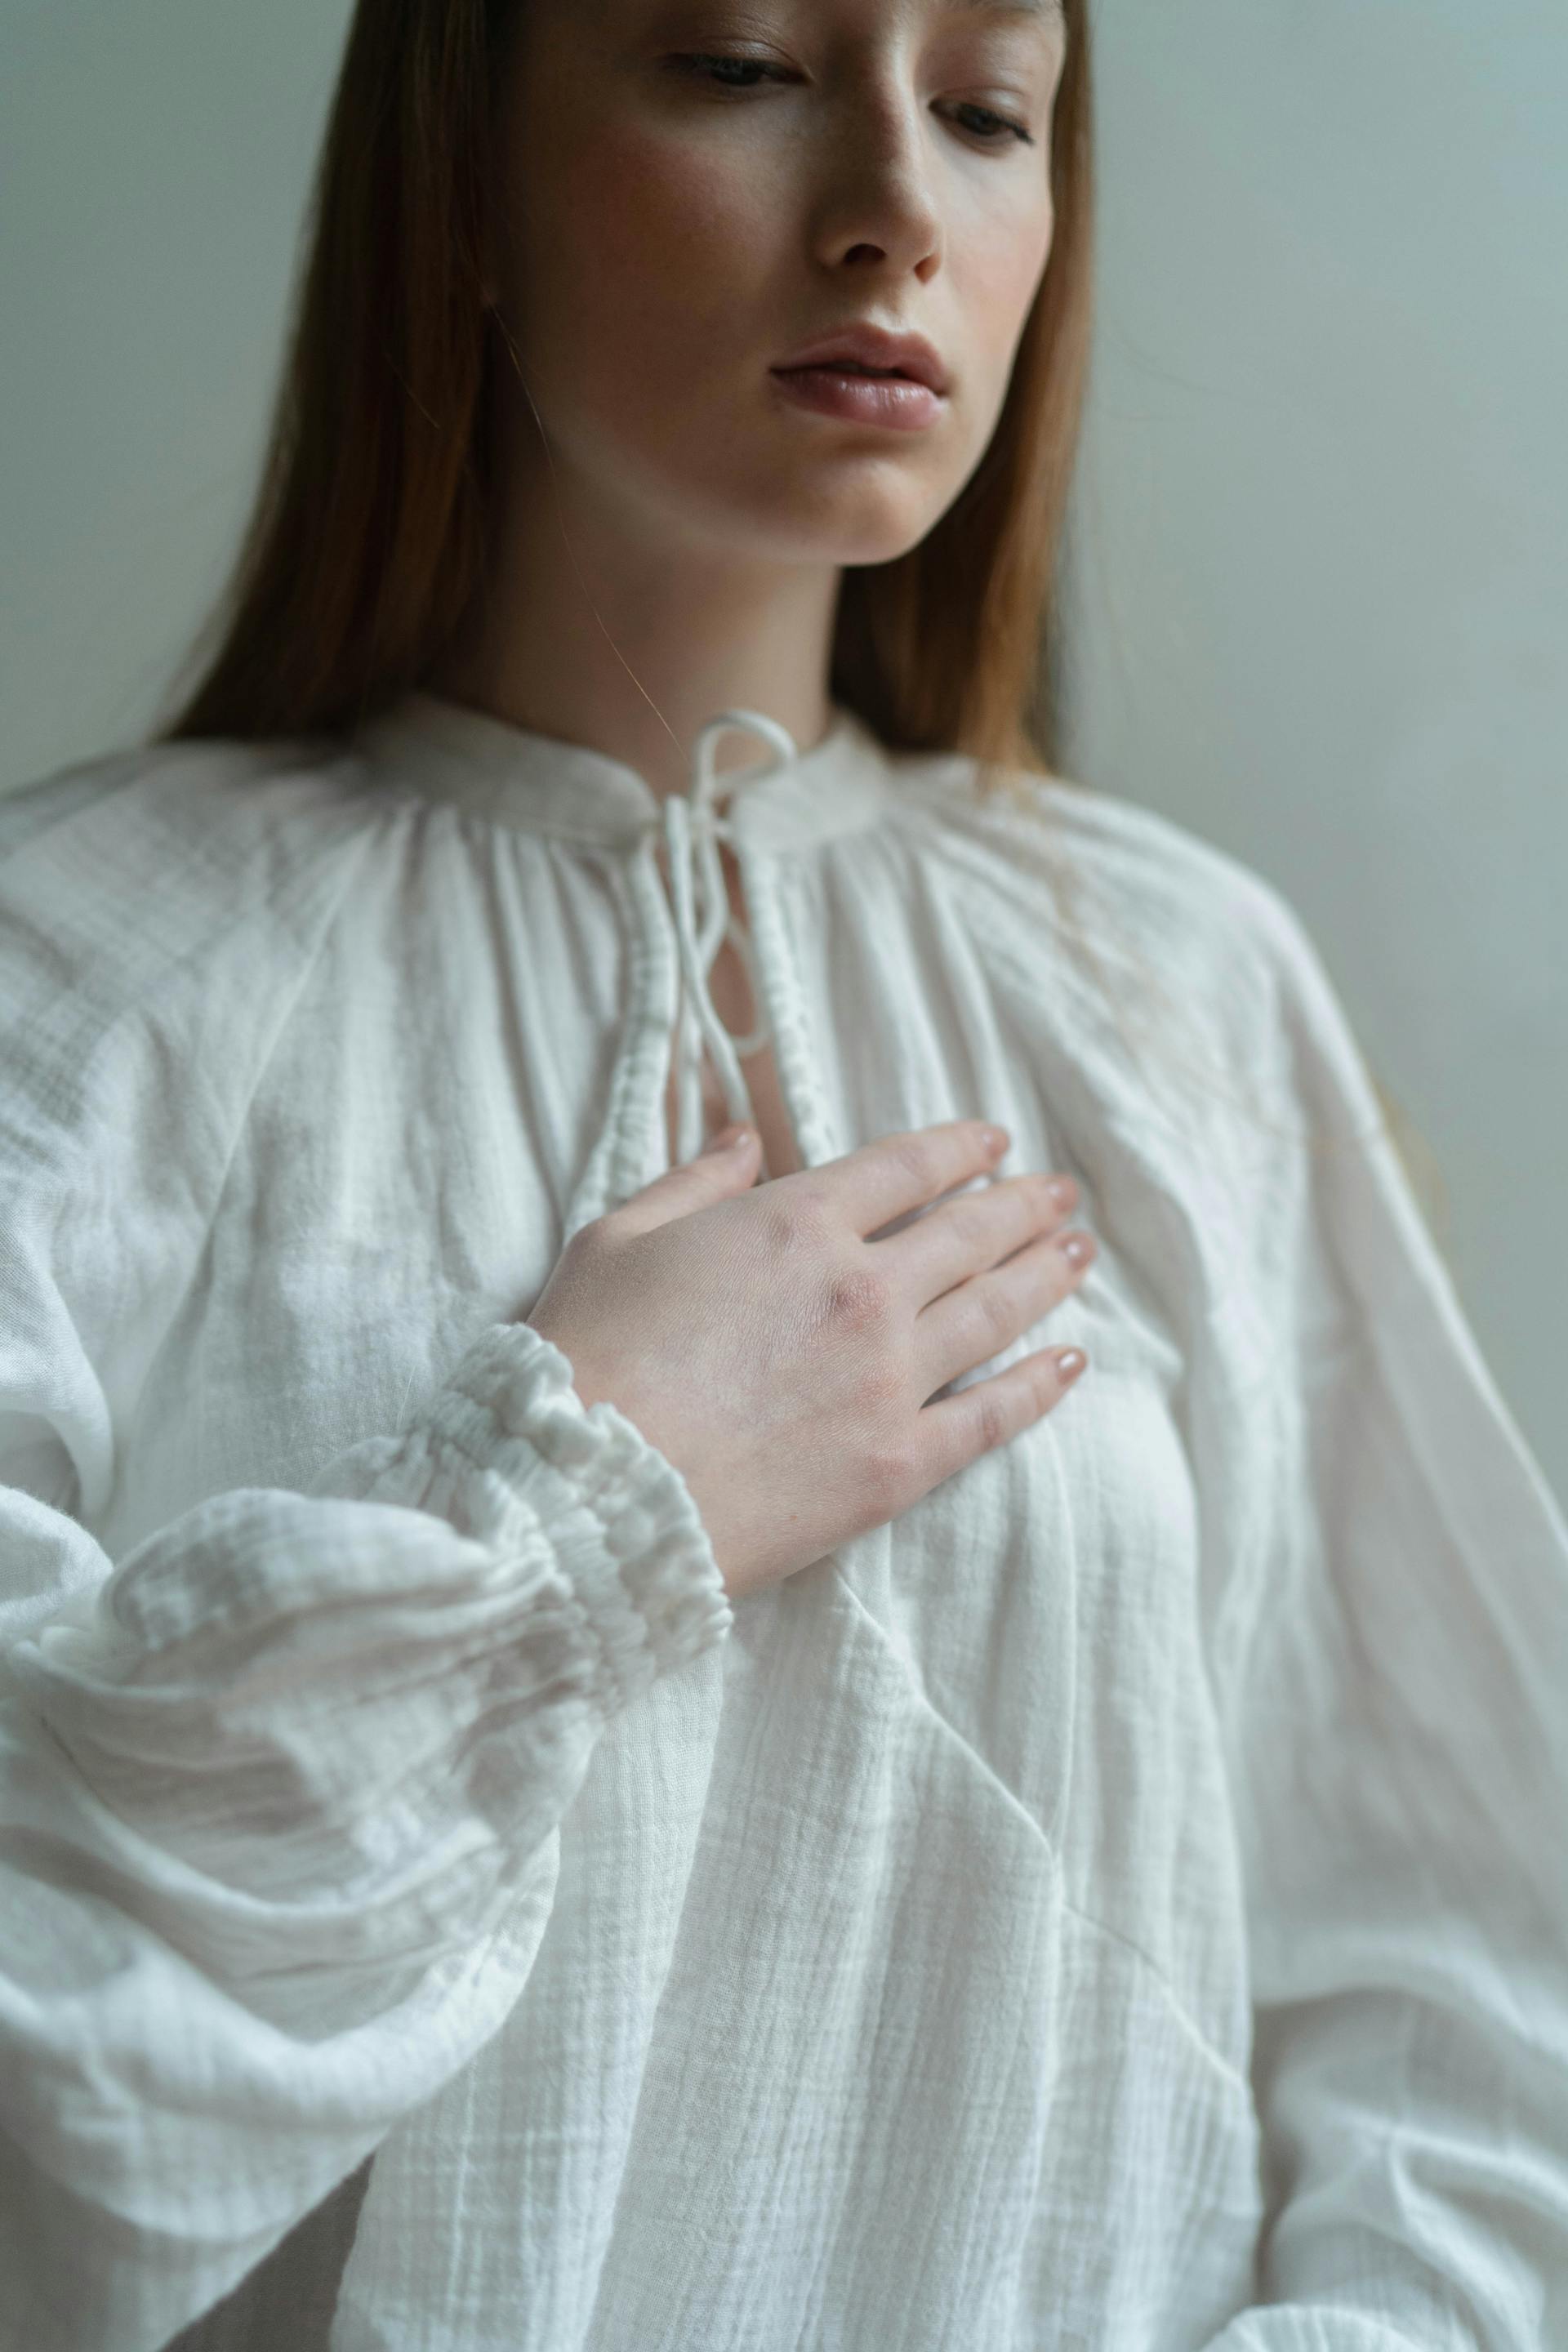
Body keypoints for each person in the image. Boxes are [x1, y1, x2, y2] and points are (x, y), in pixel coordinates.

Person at [2, 0, 1566, 2345]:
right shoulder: (77, 977)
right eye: (740, 63)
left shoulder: (1175, 993)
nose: (897, 212)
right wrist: (587, 1511)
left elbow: (1459, 1995)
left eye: (987, 111)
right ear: (467, 180)